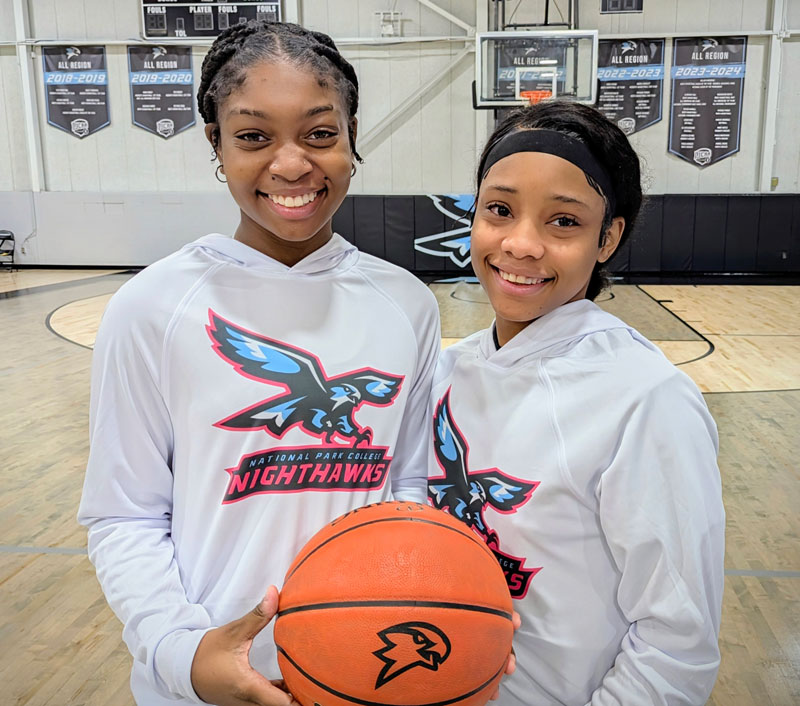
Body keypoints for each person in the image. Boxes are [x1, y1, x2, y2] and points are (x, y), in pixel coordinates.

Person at [78, 21, 441, 706]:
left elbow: (408, 487)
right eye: (252, 136)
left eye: (319, 133)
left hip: (367, 673)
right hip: (198, 683)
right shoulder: (152, 307)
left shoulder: (406, 304)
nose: (292, 164)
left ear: (352, 133)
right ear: (214, 143)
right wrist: (184, 655)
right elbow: (123, 515)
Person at [427, 100, 725, 705]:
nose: (521, 244)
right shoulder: (445, 371)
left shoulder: (646, 398)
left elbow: (677, 647)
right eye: (500, 210)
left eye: (563, 222)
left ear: (607, 236)